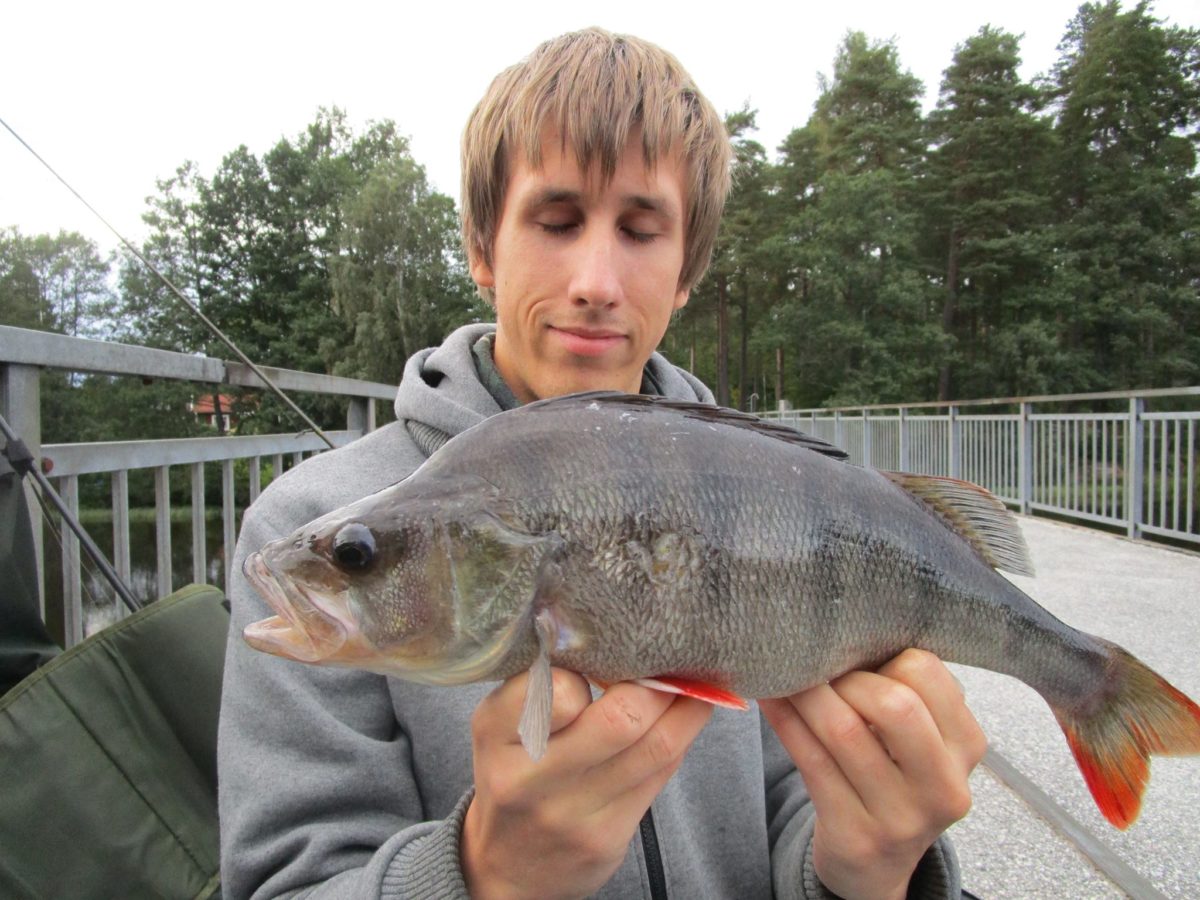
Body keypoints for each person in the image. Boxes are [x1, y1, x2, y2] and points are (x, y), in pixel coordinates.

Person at [218, 27, 986, 900]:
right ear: (481, 247)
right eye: (556, 221)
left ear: (687, 269)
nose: (595, 280)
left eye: (641, 230)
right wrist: (483, 875)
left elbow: (798, 809)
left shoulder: (767, 488)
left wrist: (869, 870)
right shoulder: (300, 522)